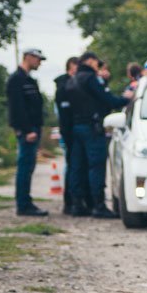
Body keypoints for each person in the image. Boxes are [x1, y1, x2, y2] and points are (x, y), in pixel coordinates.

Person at [67, 51, 131, 218]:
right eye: (97, 63)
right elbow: (107, 99)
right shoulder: (90, 78)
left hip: (77, 127)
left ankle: (77, 204)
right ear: (89, 61)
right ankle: (98, 205)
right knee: (96, 166)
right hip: (92, 127)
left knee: (77, 167)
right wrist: (126, 99)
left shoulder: (73, 79)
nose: (98, 67)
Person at [6, 47, 48, 216]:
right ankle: (23, 205)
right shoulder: (17, 79)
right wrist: (26, 130)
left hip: (33, 129)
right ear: (28, 57)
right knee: (24, 167)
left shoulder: (29, 80)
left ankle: (26, 202)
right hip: (27, 131)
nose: (39, 63)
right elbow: (17, 108)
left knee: (28, 167)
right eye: (38, 59)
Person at [54, 56, 82, 214]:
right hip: (69, 131)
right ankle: (70, 201)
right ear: (70, 68)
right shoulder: (64, 87)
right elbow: (64, 114)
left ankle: (72, 201)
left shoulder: (67, 85)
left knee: (72, 166)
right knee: (72, 166)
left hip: (70, 131)